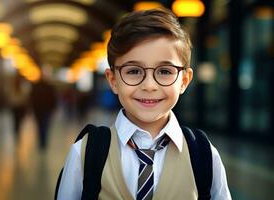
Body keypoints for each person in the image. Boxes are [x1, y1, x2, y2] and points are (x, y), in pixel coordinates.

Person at [57, 8, 231, 199]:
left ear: (184, 81)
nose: (149, 85)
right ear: (113, 80)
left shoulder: (204, 155)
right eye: (133, 71)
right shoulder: (85, 152)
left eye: (165, 71)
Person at [30, 78, 57, 150]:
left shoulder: (35, 87)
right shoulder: (49, 87)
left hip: (38, 110)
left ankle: (42, 141)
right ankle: (43, 141)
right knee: (45, 125)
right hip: (46, 110)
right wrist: (53, 108)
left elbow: (31, 98)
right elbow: (53, 98)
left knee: (40, 126)